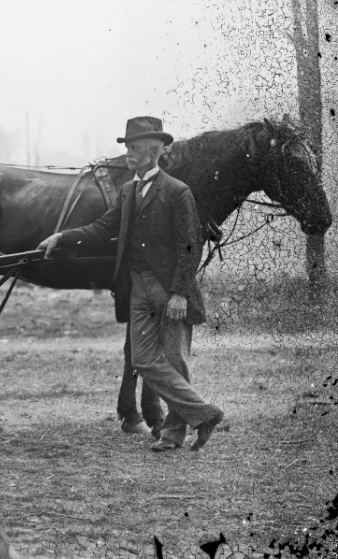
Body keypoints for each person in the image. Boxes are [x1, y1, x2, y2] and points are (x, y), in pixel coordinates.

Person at [37, 116, 225, 452]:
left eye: (135, 148)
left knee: (174, 361)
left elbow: (189, 246)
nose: (128, 154)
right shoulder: (128, 191)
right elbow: (101, 228)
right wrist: (63, 237)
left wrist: (180, 292)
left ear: (154, 152)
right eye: (127, 147)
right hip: (137, 288)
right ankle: (205, 413)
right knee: (142, 360)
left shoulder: (178, 191)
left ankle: (171, 434)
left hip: (169, 291)